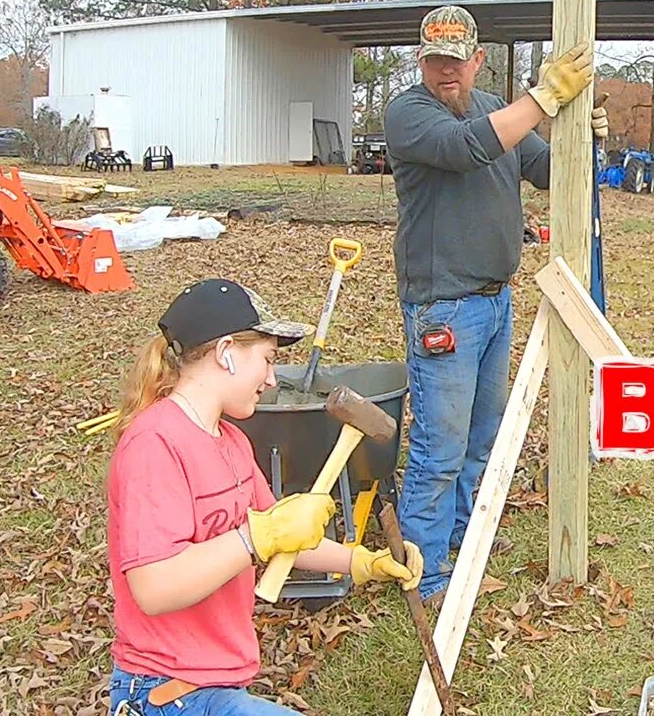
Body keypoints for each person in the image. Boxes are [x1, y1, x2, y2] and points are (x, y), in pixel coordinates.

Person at [104, 278, 425, 716]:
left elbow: (282, 533)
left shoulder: (231, 440)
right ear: (225, 353)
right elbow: (154, 588)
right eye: (267, 360)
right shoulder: (154, 444)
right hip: (164, 692)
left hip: (212, 685)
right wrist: (254, 538)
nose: (272, 379)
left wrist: (361, 562)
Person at [384, 5, 607, 606]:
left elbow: (541, 166)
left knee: (483, 438)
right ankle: (424, 576)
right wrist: (545, 97)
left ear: (477, 61)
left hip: (494, 301)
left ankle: (462, 541)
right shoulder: (409, 113)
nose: (445, 73)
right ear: (420, 61)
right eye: (434, 61)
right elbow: (466, 149)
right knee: (439, 449)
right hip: (444, 311)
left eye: (456, 62)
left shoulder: (490, 108)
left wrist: (581, 131)